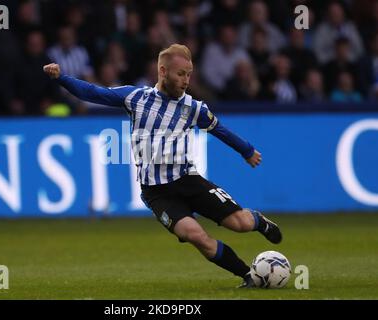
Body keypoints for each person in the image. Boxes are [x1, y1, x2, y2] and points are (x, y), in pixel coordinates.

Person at [43, 44, 282, 288]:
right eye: (181, 74)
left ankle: (259, 221)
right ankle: (248, 277)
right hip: (157, 193)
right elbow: (93, 93)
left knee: (239, 224)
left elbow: (219, 130)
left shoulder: (194, 107)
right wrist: (61, 77)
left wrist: (247, 150)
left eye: (189, 74)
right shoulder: (135, 98)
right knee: (195, 235)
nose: (186, 80)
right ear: (163, 71)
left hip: (189, 181)